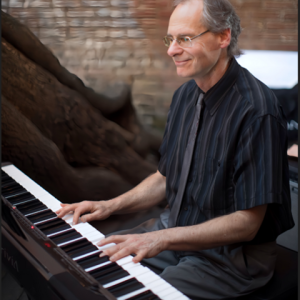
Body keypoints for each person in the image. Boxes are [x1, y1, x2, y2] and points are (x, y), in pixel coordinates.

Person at [56, 0, 294, 299]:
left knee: (136, 294)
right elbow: (167, 176)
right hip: (177, 228)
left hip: (230, 259)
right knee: (86, 265)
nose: (171, 50)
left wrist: (160, 239)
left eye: (185, 38)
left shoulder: (258, 112)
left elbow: (247, 224)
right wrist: (109, 205)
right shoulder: (185, 94)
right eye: (170, 39)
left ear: (223, 36)